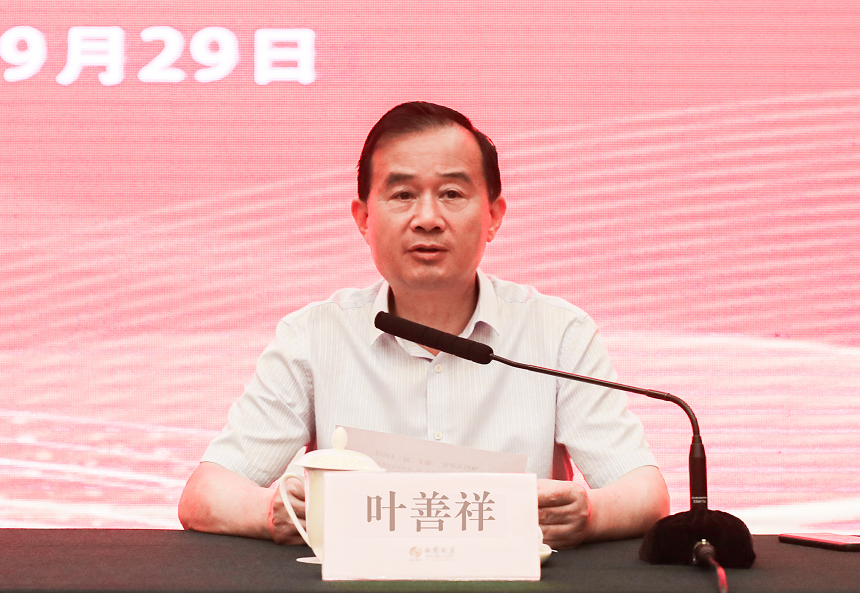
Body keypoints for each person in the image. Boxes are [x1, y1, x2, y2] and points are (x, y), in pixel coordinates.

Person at [178, 102, 670, 549]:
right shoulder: (313, 336)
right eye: (403, 194)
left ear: (494, 215)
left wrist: (592, 514)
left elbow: (645, 492)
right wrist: (270, 512)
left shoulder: (558, 332)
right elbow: (205, 494)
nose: (427, 218)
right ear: (363, 218)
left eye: (452, 193)